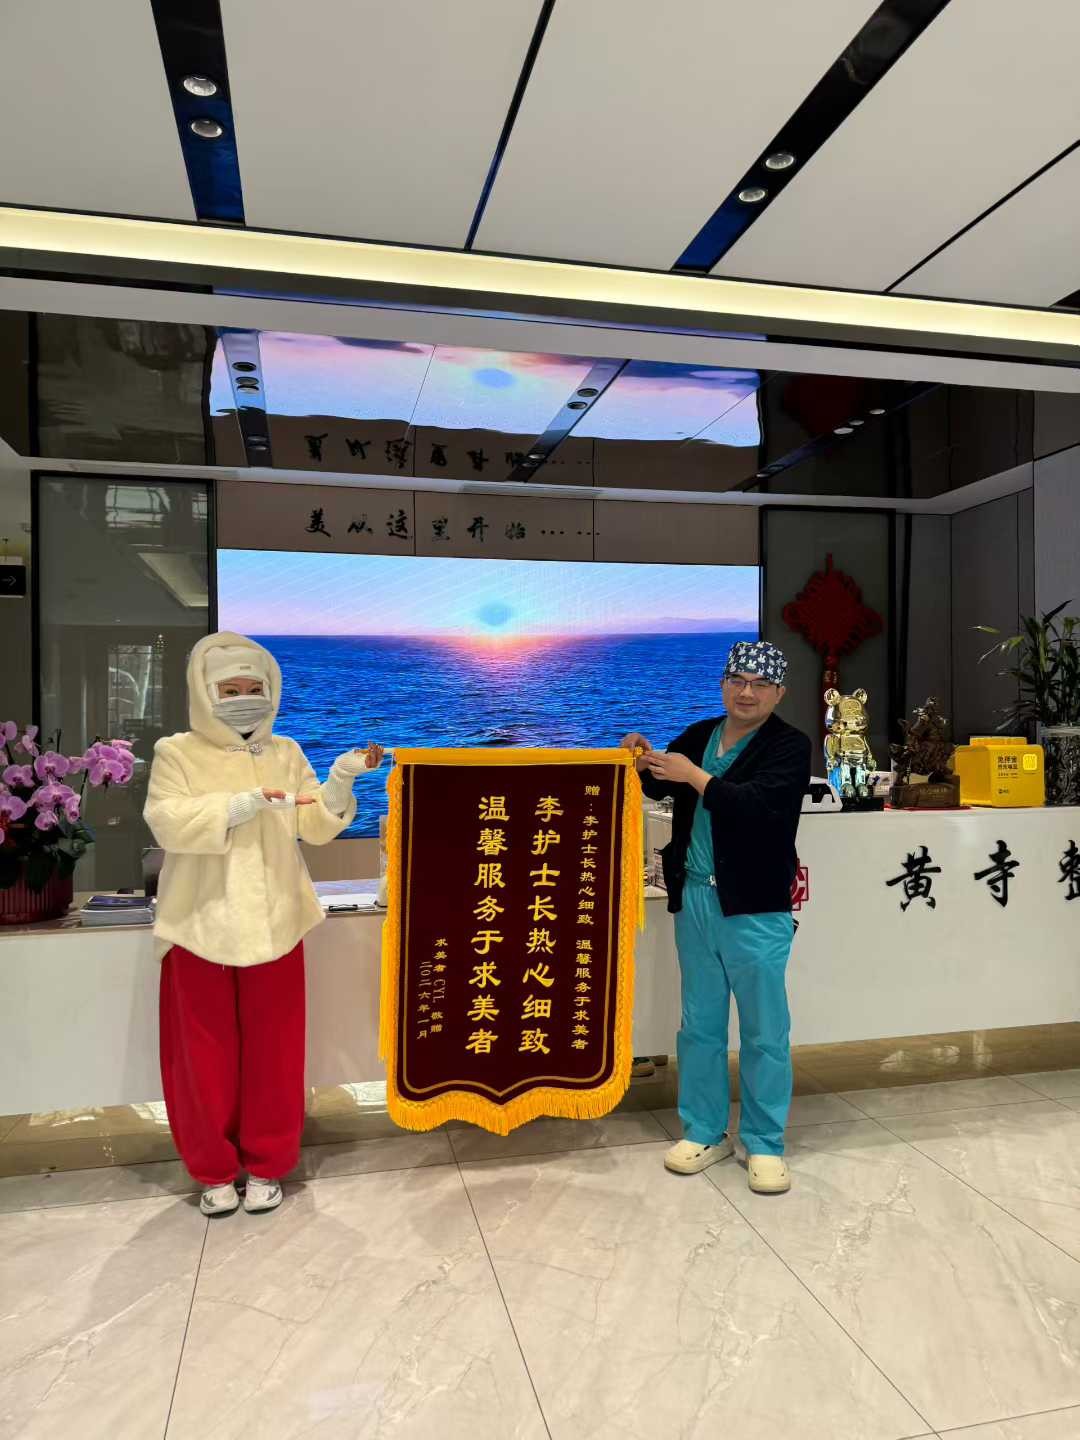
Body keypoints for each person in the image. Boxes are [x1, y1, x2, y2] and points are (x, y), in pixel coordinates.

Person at [145, 632, 384, 1217]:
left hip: (277, 919)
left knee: (275, 1053)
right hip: (198, 923)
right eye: (230, 690)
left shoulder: (287, 751)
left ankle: (268, 1163)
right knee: (202, 1057)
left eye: (254, 688)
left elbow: (315, 826)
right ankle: (212, 1169)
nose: (244, 699)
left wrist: (341, 779)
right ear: (206, 692)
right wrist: (234, 807)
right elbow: (164, 820)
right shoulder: (176, 752)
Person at [621, 640, 810, 1195]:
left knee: (764, 1029)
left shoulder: (789, 745)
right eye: (737, 681)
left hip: (755, 905)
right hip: (695, 901)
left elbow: (760, 807)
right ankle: (703, 1131)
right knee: (699, 1025)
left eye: (760, 684)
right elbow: (660, 780)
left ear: (779, 693)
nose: (747, 692)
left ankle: (765, 1142)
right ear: (724, 684)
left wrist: (696, 777)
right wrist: (640, 756)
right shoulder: (700, 734)